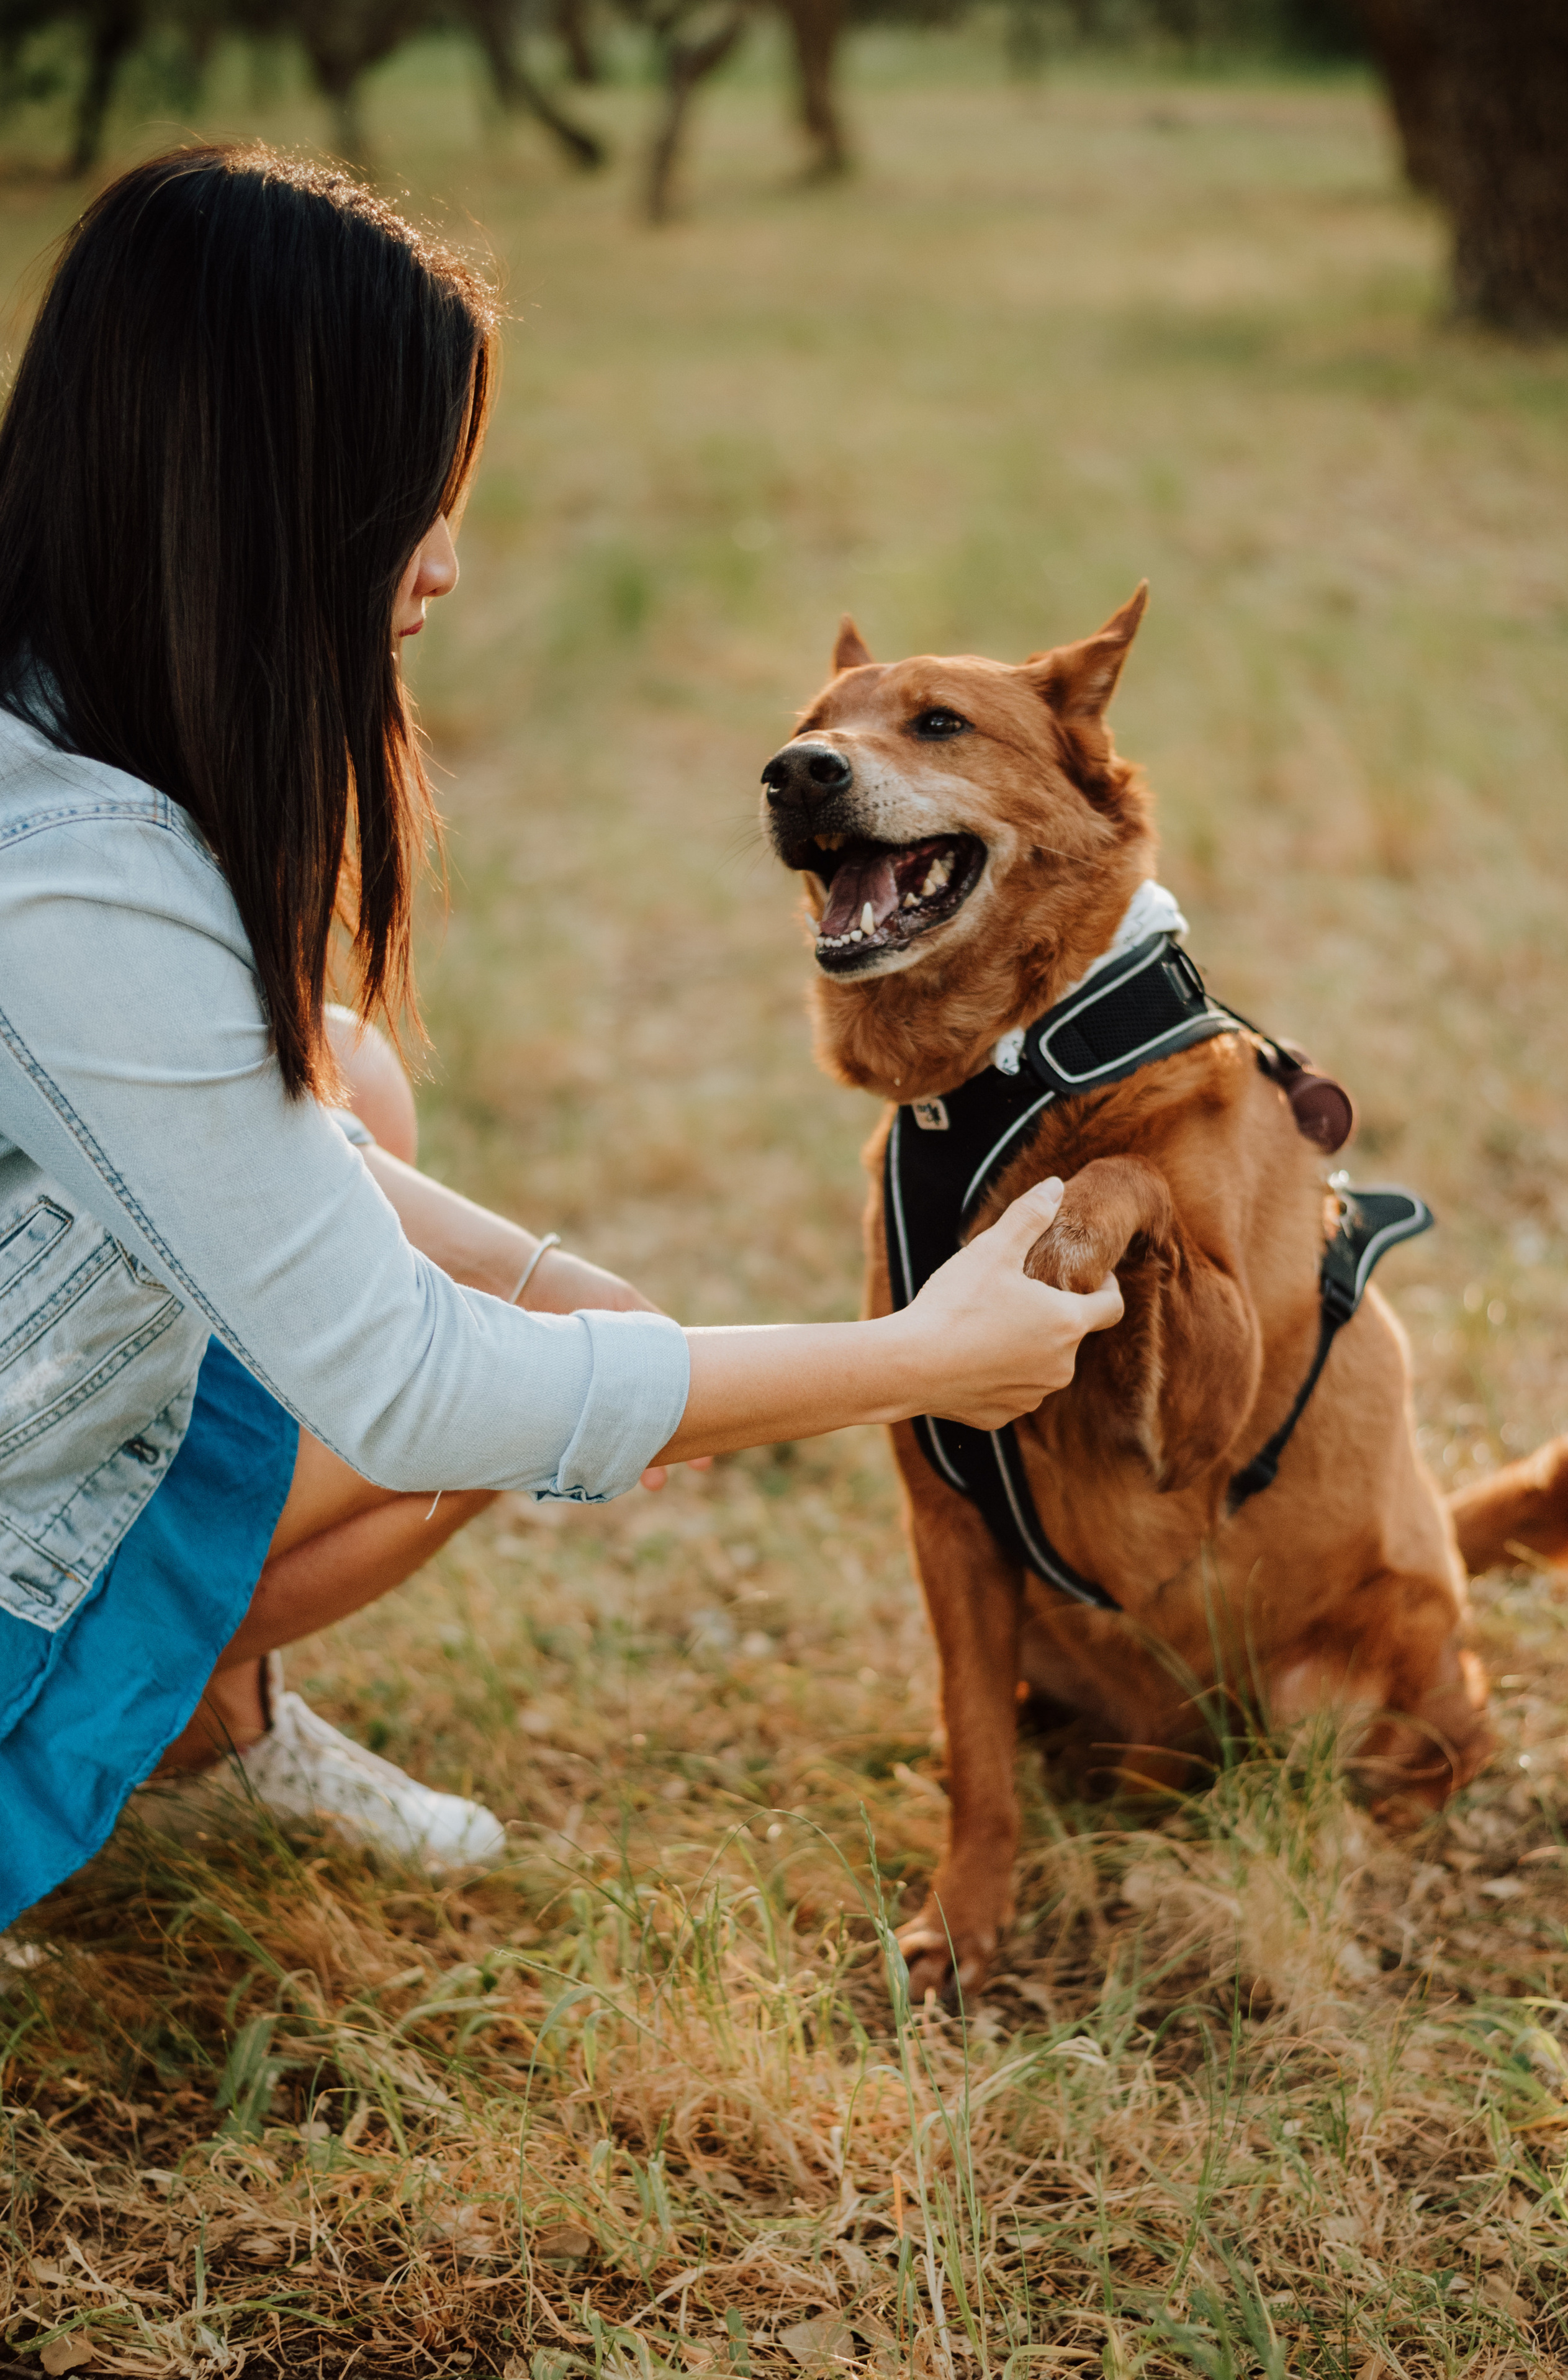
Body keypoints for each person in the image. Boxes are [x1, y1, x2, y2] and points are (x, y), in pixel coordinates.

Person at [0, 144, 1123, 1931]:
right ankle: (96, 1711)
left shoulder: (54, 734)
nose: (446, 562)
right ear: (261, 493)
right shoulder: (71, 880)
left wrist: (545, 1269)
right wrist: (919, 1357)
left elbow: (204, 1127)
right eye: (412, 495)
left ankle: (215, 1715)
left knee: (346, 1070)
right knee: (487, 1379)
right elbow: (413, 1382)